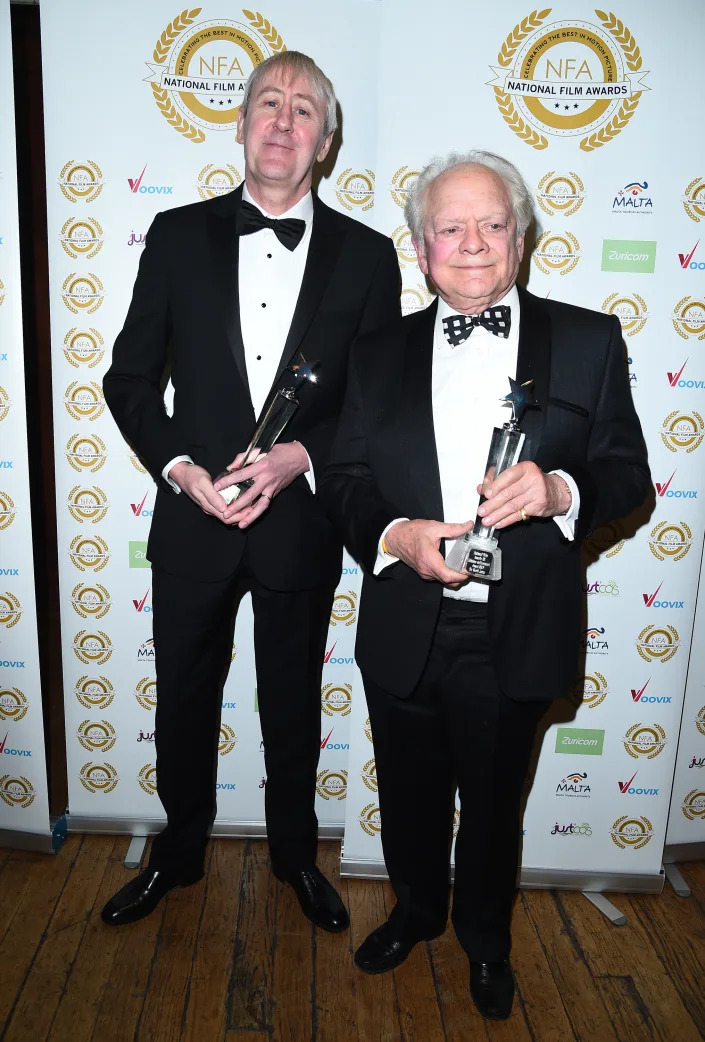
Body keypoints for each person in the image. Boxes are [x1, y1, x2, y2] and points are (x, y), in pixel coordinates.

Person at [321, 151, 650, 1018]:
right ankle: (417, 911)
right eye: (450, 228)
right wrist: (397, 537)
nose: (472, 245)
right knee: (408, 794)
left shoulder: (587, 339)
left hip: (519, 627)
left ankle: (484, 942)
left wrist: (558, 491)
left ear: (520, 236)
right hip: (407, 619)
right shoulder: (375, 350)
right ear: (422, 248)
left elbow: (627, 478)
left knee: (495, 809)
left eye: (491, 225)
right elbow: (345, 481)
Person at [101, 51, 400, 929]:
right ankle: (178, 854)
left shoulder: (370, 257)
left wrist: (298, 457)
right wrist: (182, 471)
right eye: (268, 103)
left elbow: (375, 405)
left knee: (292, 703)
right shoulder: (175, 234)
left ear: (326, 140)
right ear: (239, 123)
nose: (282, 121)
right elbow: (127, 381)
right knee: (184, 698)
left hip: (298, 524)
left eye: (304, 110)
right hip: (191, 523)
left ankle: (295, 860)